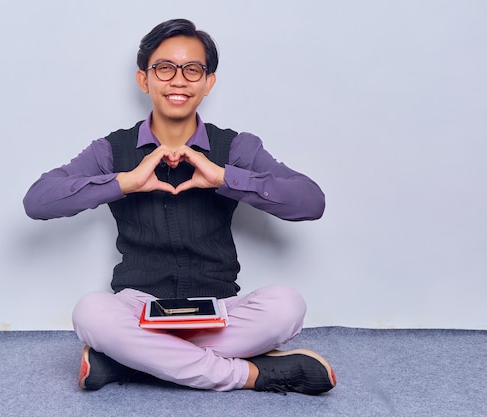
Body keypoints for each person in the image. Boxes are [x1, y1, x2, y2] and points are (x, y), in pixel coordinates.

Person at [23, 18, 336, 395]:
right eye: (165, 68)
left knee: (287, 304)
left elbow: (310, 201)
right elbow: (38, 200)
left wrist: (225, 178)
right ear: (145, 80)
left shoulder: (236, 147)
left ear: (208, 82)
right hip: (137, 308)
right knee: (90, 311)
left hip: (218, 308)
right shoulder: (111, 149)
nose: (178, 80)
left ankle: (131, 361)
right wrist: (126, 181)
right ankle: (251, 375)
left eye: (192, 69)